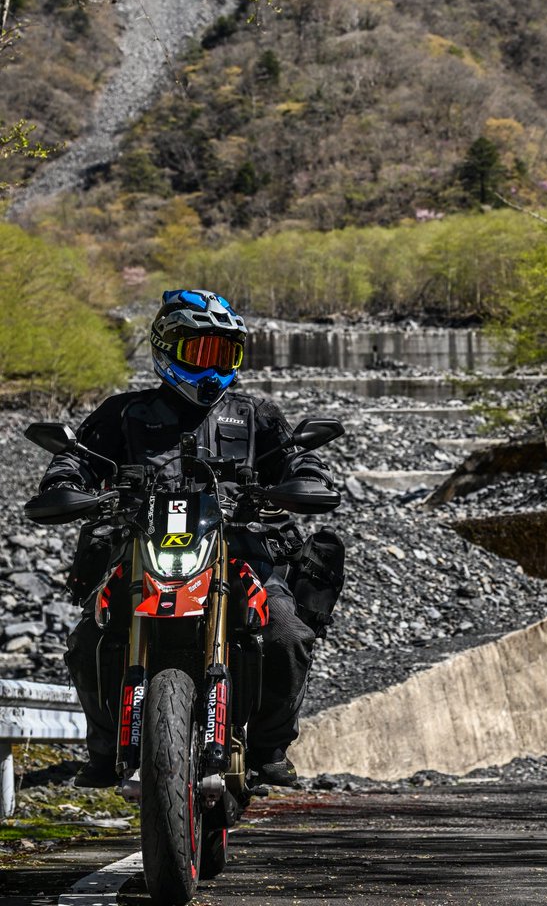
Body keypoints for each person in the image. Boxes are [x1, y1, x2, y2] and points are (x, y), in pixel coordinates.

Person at [30, 289, 344, 790]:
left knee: (285, 628)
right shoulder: (123, 414)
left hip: (239, 547)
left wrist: (306, 477)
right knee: (88, 635)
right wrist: (64, 483)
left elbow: (294, 458)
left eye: (225, 354)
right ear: (166, 347)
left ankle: (268, 746)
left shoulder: (254, 414)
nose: (212, 366)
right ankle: (105, 745)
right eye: (200, 352)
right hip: (142, 548)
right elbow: (79, 459)